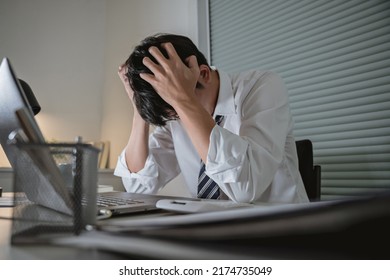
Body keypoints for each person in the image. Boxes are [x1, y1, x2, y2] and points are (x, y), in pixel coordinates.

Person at [114, 33, 309, 204]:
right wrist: (139, 106)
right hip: (210, 231)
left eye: (176, 104)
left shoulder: (262, 87)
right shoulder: (175, 116)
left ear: (203, 74)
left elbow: (245, 189)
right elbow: (138, 187)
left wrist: (183, 100)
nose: (177, 117)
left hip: (280, 231)